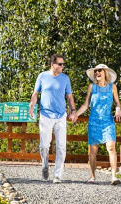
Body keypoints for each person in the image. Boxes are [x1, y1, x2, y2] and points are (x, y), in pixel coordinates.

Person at [70, 64, 121, 185]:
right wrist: (76, 114)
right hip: (94, 121)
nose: (97, 73)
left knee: (111, 147)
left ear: (105, 73)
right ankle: (92, 176)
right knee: (93, 150)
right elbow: (85, 105)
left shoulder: (112, 87)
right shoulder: (91, 87)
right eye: (96, 71)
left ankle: (114, 177)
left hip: (108, 121)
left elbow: (117, 103)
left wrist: (118, 109)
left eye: (99, 71)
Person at [29, 54, 77, 183]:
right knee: (44, 145)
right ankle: (44, 165)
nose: (62, 66)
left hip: (61, 116)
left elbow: (70, 97)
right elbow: (35, 93)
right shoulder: (42, 76)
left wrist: (73, 111)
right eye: (60, 64)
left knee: (61, 146)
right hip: (45, 115)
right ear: (52, 65)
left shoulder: (65, 79)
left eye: (63, 64)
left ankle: (57, 175)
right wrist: (32, 104)